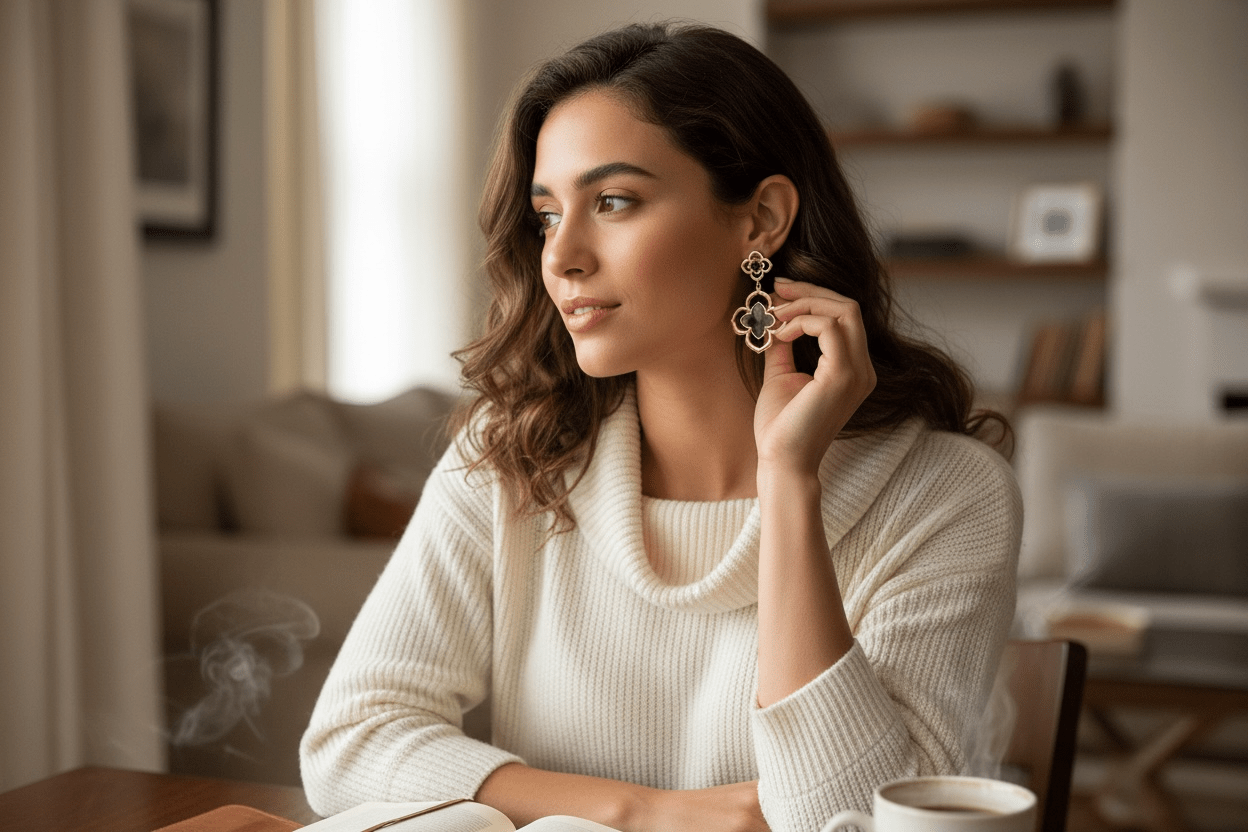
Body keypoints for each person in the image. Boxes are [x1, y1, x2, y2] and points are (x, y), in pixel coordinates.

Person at [301, 22, 1020, 832]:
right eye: (546, 214)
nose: (562, 256)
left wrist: (790, 481)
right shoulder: (513, 456)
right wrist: (644, 813)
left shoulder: (948, 496)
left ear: (761, 220)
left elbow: (851, 822)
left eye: (613, 202)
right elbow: (348, 743)